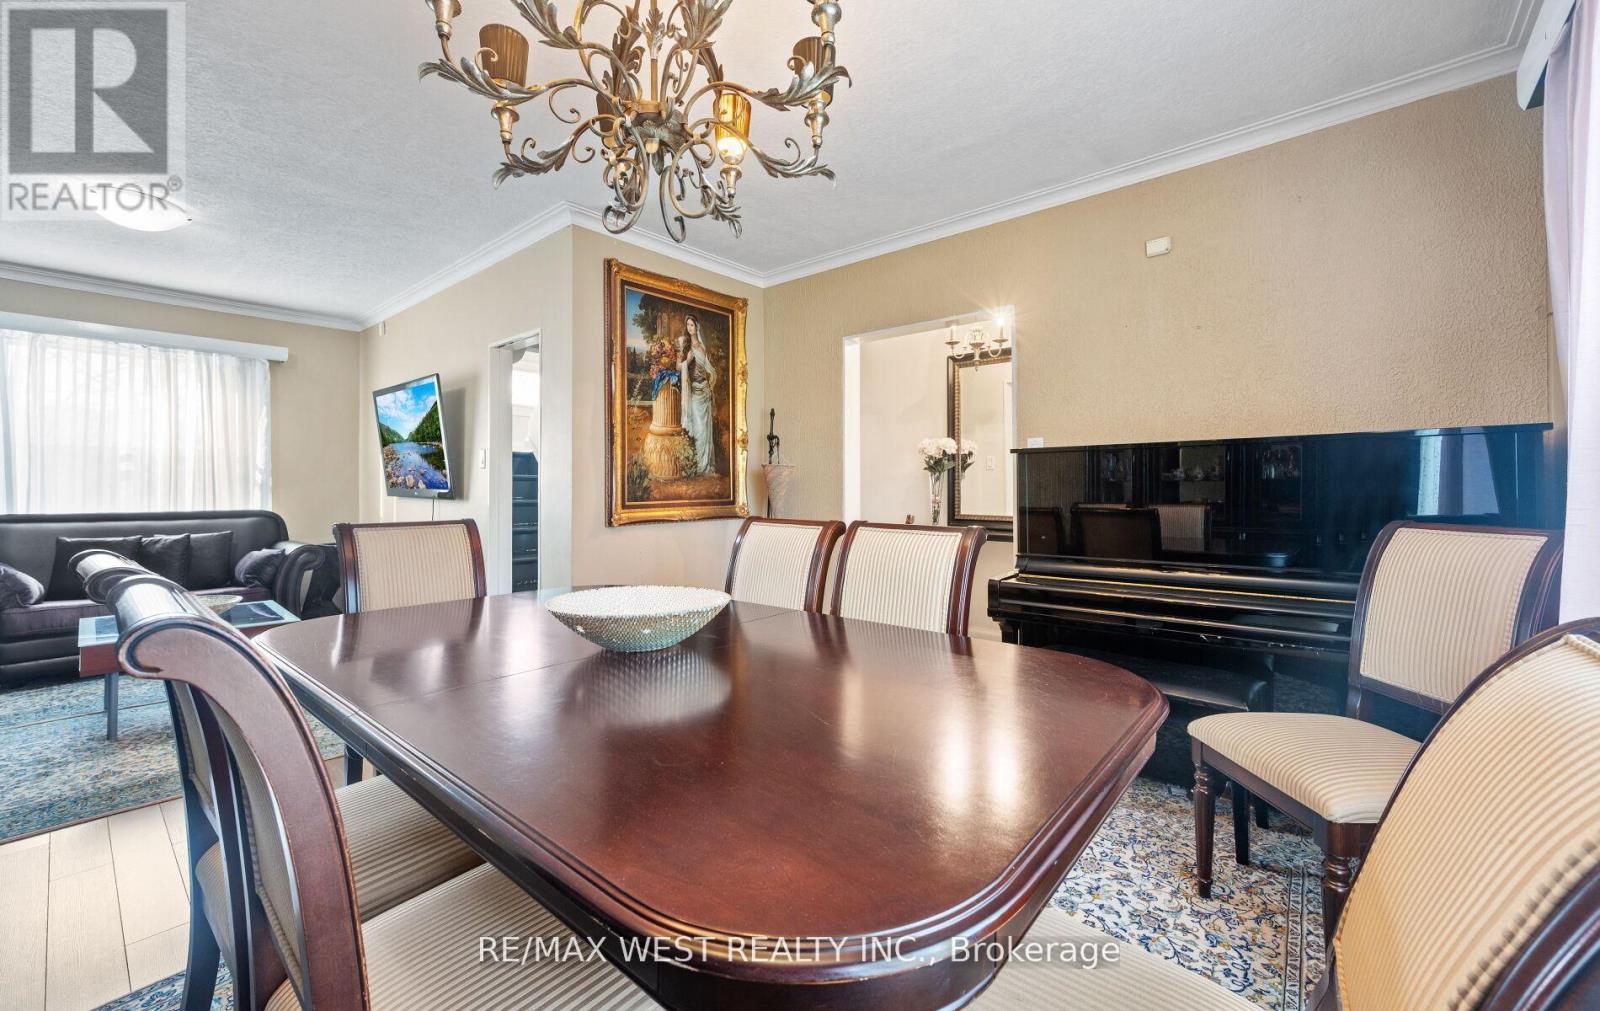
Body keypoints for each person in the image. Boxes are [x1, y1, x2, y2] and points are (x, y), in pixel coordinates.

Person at [678, 316, 717, 476]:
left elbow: (709, 369)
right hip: (693, 391)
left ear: (697, 327)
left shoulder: (702, 347)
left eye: (692, 325)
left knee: (705, 431)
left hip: (704, 391)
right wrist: (687, 360)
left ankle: (705, 466)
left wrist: (710, 386)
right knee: (698, 429)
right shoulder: (684, 345)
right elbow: (678, 367)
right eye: (687, 324)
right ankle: (696, 465)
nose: (689, 327)